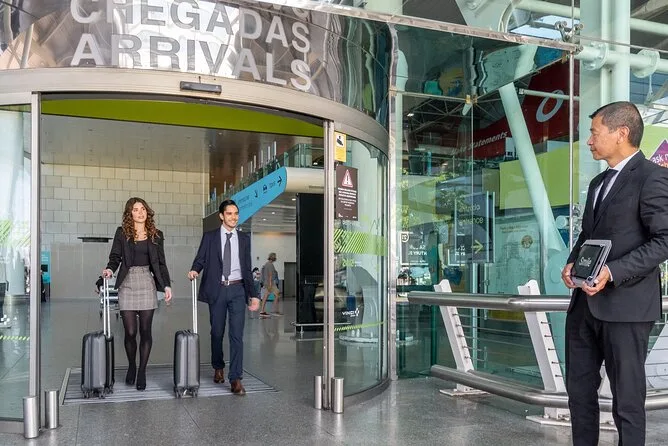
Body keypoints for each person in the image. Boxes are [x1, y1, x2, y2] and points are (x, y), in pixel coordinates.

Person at [561, 101, 668, 446]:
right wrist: (573, 262)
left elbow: (664, 240)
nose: (589, 141)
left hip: (627, 308)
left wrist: (612, 271)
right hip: (584, 307)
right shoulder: (597, 183)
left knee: (627, 401)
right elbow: (587, 235)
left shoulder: (653, 177)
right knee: (579, 393)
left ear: (621, 133)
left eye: (594, 132)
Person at [188, 199, 259, 396]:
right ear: (221, 216)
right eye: (229, 213)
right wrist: (195, 270)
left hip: (238, 289)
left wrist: (253, 295)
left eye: (236, 213)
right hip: (217, 289)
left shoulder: (244, 238)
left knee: (236, 335)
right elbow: (201, 259)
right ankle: (218, 366)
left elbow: (247, 267)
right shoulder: (210, 237)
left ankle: (235, 378)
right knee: (217, 332)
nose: (233, 217)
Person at [102, 197, 172, 391]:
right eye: (135, 209)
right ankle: (132, 365)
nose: (140, 212)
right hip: (127, 282)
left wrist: (166, 285)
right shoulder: (122, 232)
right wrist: (109, 270)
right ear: (129, 213)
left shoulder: (156, 234)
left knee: (145, 331)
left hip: (147, 282)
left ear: (147, 212)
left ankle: (141, 371)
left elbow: (161, 263)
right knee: (130, 332)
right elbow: (115, 257)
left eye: (143, 209)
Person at [259, 252, 282, 317]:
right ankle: (275, 311)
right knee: (277, 294)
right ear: (273, 257)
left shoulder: (266, 264)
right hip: (270, 283)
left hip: (267, 283)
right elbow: (270, 275)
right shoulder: (270, 265)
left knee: (266, 296)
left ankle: (262, 311)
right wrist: (270, 285)